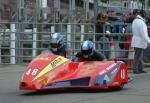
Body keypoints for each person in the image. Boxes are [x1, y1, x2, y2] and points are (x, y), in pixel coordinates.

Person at [131, 9, 150, 74]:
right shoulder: (141, 22)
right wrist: (148, 41)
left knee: (138, 55)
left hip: (136, 40)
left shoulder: (135, 21)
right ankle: (136, 69)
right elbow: (144, 34)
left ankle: (139, 68)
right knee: (138, 56)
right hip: (139, 41)